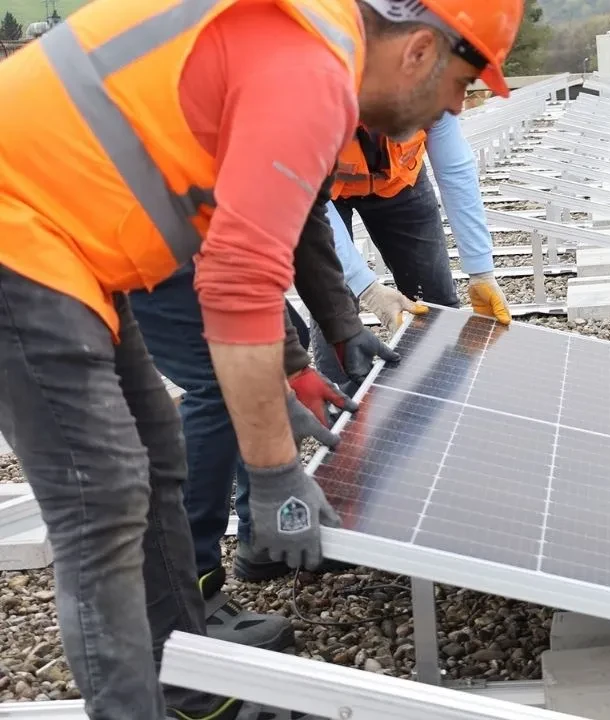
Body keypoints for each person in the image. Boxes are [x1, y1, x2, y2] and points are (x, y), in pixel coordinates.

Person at [0, 0, 522, 718]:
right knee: (105, 501)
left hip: (61, 242)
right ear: (421, 51)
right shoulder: (309, 64)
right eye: (464, 84)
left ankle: (190, 693)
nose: (453, 109)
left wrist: (315, 348)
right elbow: (238, 282)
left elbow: (282, 218)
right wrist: (274, 475)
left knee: (153, 461)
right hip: (19, 240)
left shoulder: (313, 45)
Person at [128, 196, 424, 653]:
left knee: (282, 343)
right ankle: (188, 592)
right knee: (223, 380)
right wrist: (288, 371)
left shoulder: (327, 128)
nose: (444, 121)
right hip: (128, 231)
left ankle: (262, 540)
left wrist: (339, 328)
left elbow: (305, 216)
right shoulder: (290, 123)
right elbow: (242, 245)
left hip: (175, 223)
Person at [315, 110, 512, 395]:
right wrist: (366, 287)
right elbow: (308, 206)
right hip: (322, 188)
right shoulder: (313, 94)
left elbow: (455, 169)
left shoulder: (432, 82)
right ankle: (342, 406)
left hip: (399, 183)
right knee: (331, 299)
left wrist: (481, 270)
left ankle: (440, 399)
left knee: (435, 300)